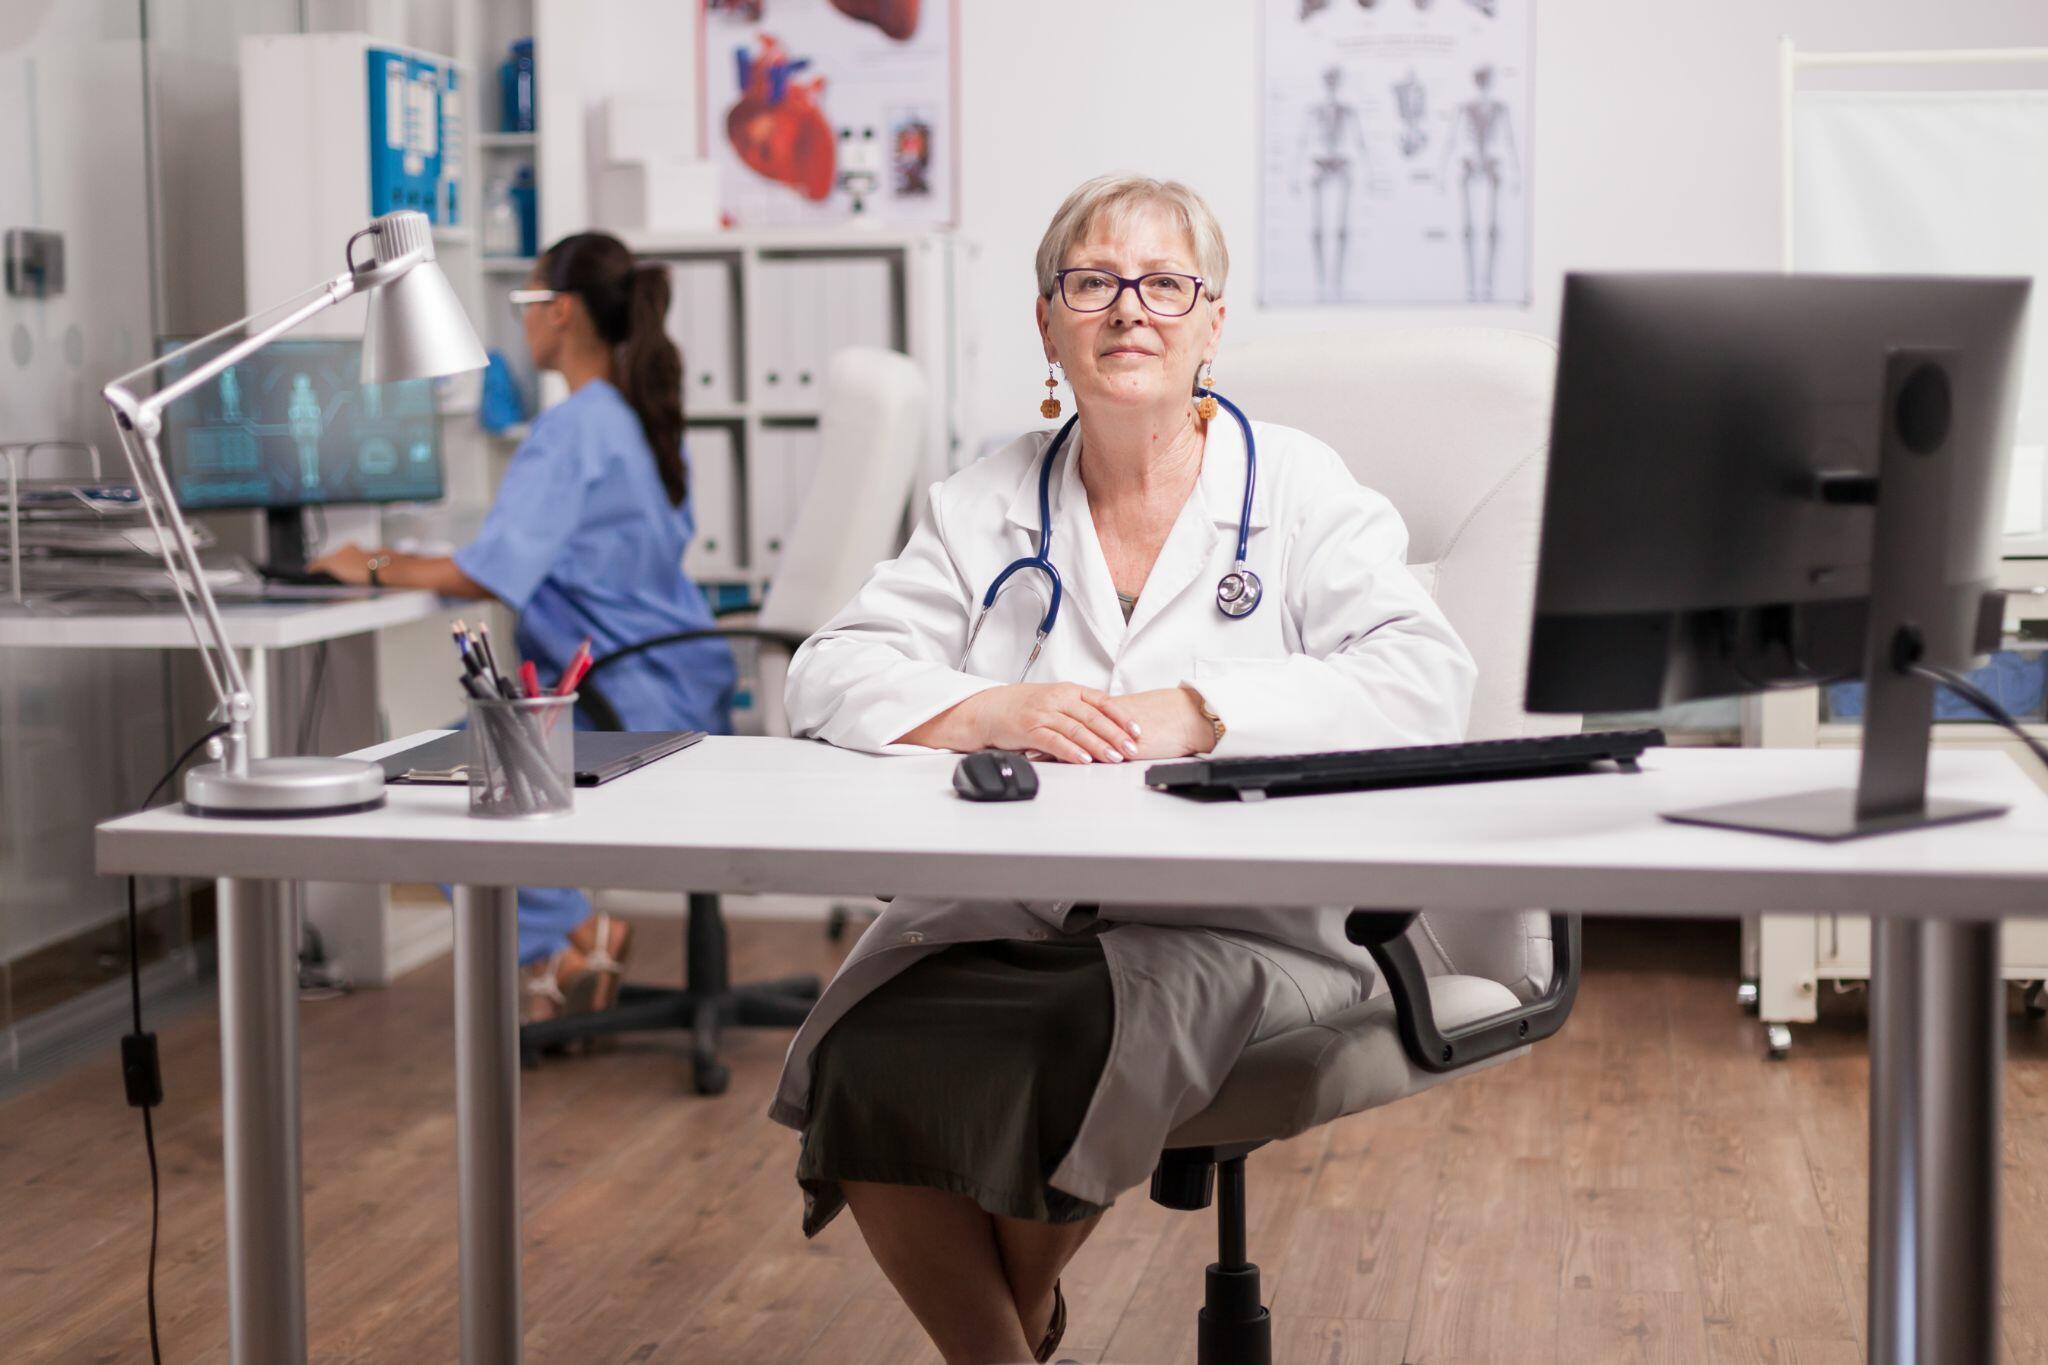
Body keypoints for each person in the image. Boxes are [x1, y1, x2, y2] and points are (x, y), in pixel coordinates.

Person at [770, 174, 1475, 1364]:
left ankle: (1000, 1340)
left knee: (1063, 1051)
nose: (1126, 311)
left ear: (1211, 320)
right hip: (1007, 908)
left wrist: (1202, 711)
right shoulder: (986, 498)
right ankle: (1009, 1340)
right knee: (858, 1056)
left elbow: (1423, 681)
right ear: (1047, 322)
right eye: (1091, 282)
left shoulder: (1297, 488)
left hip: (1232, 922)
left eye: (1163, 284)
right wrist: (985, 706)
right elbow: (827, 672)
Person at [312, 231, 737, 1023]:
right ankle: (569, 949)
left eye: (526, 304)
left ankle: (570, 930)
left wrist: (368, 563)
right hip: (683, 684)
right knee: (460, 768)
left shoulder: (574, 426)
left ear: (561, 313)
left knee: (415, 789)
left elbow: (488, 571)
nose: (522, 324)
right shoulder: (639, 416)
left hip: (627, 699)